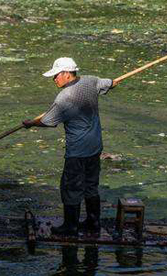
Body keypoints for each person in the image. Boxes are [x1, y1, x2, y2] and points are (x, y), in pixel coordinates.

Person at [23, 57, 118, 237]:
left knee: (70, 187)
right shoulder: (90, 81)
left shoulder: (64, 98)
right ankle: (93, 222)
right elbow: (111, 83)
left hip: (78, 150)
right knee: (91, 185)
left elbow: (48, 122)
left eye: (56, 75)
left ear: (67, 74)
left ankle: (70, 226)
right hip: (95, 146)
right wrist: (112, 83)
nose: (54, 79)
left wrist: (31, 123)